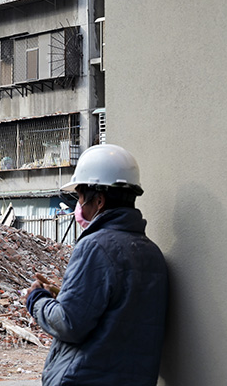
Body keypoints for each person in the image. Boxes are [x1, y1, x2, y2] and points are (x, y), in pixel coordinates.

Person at [23, 144, 168, 386]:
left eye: (80, 197)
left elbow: (69, 323)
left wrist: (36, 299)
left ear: (99, 200)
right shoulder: (151, 252)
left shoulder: (95, 246)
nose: (79, 205)